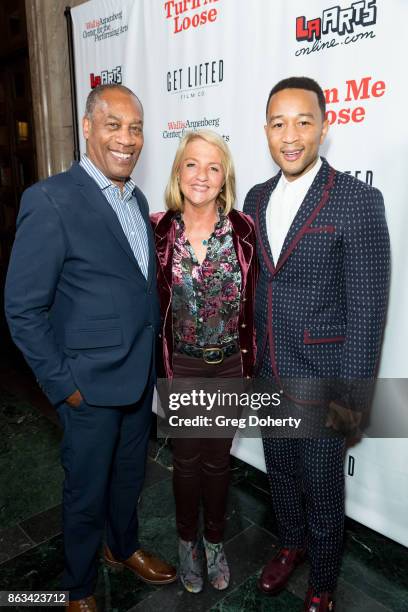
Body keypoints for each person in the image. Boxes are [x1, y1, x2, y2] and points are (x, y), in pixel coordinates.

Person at [4, 84, 176, 612]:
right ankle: (76, 587)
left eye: (136, 128)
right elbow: (22, 309)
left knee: (129, 477)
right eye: (113, 125)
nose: (127, 139)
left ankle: (121, 548)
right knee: (84, 494)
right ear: (86, 128)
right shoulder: (49, 199)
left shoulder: (137, 198)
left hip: (136, 377)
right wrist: (65, 387)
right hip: (88, 388)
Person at [243, 77, 390, 611]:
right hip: (269, 375)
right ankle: (290, 545)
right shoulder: (255, 199)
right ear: (266, 131)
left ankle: (324, 579)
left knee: (324, 488)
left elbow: (368, 311)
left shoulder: (357, 200)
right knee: (279, 473)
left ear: (324, 127)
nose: (291, 135)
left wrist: (351, 402)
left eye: (303, 121)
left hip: (325, 379)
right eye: (279, 123)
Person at [150, 130, 257, 593]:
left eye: (214, 167)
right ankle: (185, 543)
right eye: (192, 164)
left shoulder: (244, 229)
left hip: (230, 366)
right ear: (178, 171)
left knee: (218, 462)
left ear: (224, 178)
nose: (202, 175)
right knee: (187, 462)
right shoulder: (158, 229)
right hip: (183, 366)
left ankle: (214, 543)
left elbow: (259, 299)